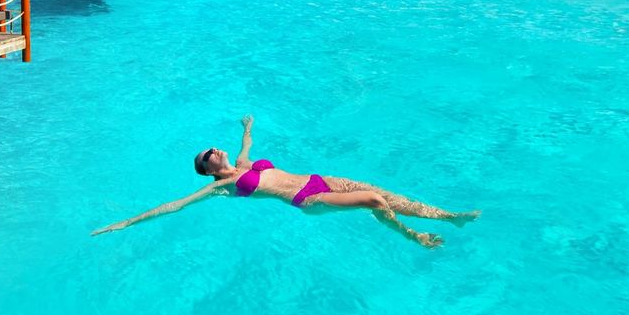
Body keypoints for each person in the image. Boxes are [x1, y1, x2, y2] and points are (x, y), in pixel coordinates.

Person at [91, 116, 479, 247]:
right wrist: (126, 222)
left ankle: (449, 217)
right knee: (374, 202)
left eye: (211, 147)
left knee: (385, 194)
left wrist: (247, 126)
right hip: (308, 200)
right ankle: (415, 238)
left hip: (318, 179)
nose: (213, 149)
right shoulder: (221, 187)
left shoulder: (242, 163)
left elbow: (247, 143)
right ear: (208, 169)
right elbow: (176, 205)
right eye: (208, 154)